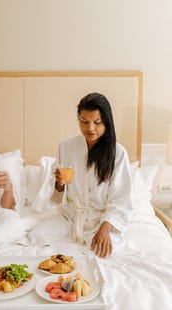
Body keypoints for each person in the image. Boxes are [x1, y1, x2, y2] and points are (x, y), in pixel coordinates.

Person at [54, 92, 134, 258]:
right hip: (71, 218)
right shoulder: (66, 146)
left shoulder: (118, 153)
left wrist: (105, 228)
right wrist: (59, 184)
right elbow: (56, 195)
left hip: (101, 220)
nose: (90, 128)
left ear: (106, 121)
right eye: (84, 122)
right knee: (38, 236)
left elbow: (121, 198)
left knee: (102, 252)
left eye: (97, 122)